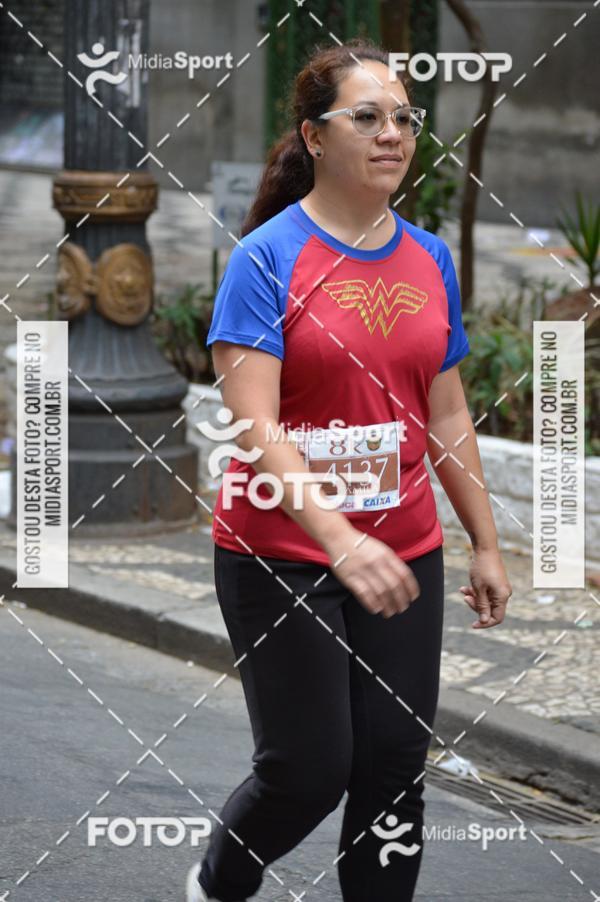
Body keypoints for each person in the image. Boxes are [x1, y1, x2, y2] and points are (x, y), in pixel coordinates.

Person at [186, 36, 512, 902]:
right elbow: (254, 425)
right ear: (315, 136)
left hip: (404, 546)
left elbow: (444, 413)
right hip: (282, 554)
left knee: (394, 768)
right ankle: (218, 880)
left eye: (403, 117)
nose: (393, 133)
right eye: (366, 116)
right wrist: (338, 540)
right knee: (309, 768)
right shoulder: (265, 259)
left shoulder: (430, 259)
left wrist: (482, 542)